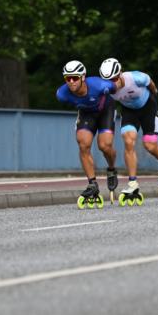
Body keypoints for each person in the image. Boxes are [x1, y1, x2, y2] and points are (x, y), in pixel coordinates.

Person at [99, 58, 158, 202]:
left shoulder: (135, 77)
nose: (112, 83)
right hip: (129, 112)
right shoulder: (106, 89)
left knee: (149, 146)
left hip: (148, 108)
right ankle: (132, 183)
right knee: (128, 141)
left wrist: (155, 92)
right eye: (107, 80)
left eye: (114, 79)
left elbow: (151, 83)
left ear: (120, 73)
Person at [55, 59, 119, 206]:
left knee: (105, 146)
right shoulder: (62, 94)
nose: (71, 82)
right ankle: (92, 183)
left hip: (105, 111)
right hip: (86, 114)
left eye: (75, 78)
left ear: (83, 77)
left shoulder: (99, 85)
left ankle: (111, 169)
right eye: (67, 78)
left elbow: (117, 85)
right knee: (83, 144)